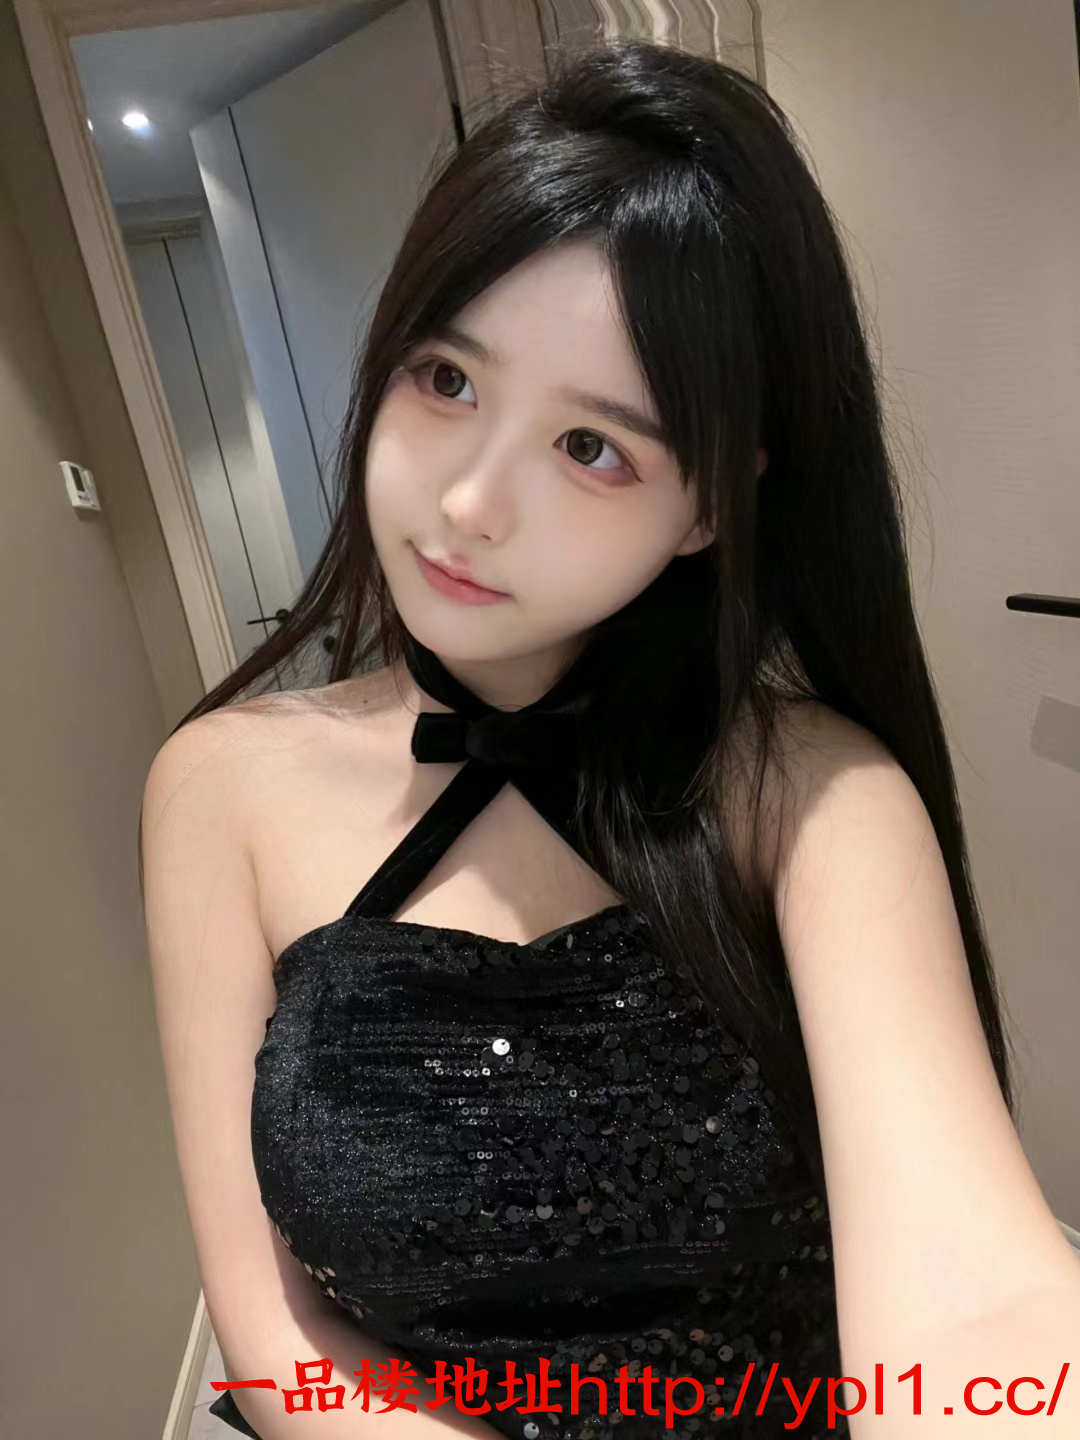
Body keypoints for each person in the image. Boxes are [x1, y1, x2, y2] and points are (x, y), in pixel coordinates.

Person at [139, 38, 1080, 1440]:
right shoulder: (220, 786)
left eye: (593, 448)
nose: (469, 502)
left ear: (706, 507)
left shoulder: (809, 793)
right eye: (446, 378)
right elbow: (274, 1334)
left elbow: (978, 1304)